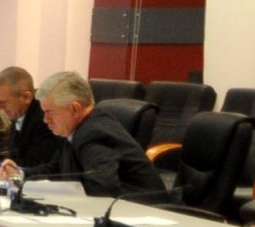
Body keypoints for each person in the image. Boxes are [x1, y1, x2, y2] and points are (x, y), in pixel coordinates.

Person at [36, 70, 168, 199]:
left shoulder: (94, 134)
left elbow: (100, 188)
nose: (46, 119)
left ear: (75, 109)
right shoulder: (74, 127)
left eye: (50, 112)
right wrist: (24, 174)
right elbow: (56, 169)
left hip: (142, 208)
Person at [0, 66, 63, 172]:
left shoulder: (44, 120)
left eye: (3, 102)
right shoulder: (17, 114)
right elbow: (12, 156)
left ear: (26, 97)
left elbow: (36, 164)